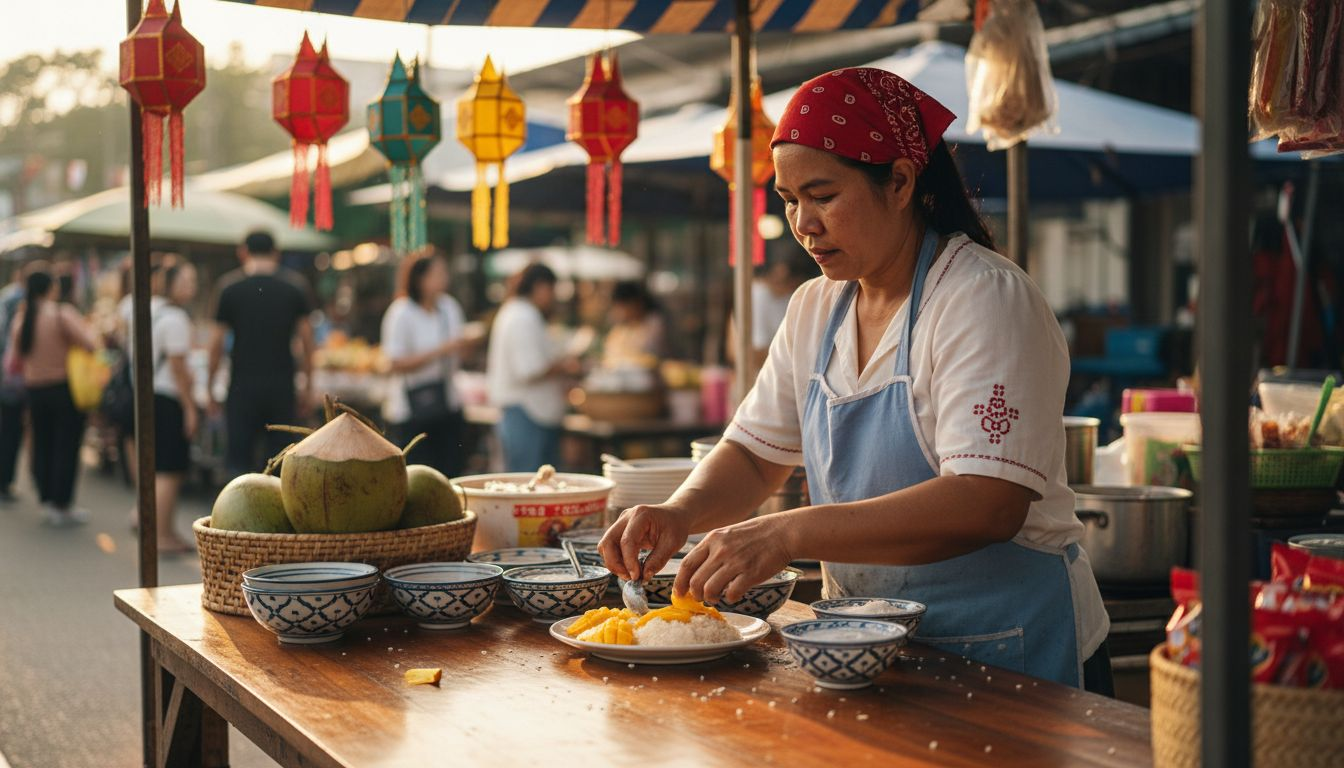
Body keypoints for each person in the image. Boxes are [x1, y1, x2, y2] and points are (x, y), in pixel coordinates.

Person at [599, 68, 1111, 693]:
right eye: (789, 201)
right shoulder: (817, 307)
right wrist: (679, 513)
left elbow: (988, 502)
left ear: (899, 181)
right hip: (866, 652)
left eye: (822, 195)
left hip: (1013, 653)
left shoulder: (982, 298)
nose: (802, 224)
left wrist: (785, 531)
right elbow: (756, 457)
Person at [207, 231, 315, 476]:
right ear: (276, 253)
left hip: (241, 387)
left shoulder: (229, 288)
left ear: (243, 252)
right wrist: (308, 386)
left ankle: (237, 513)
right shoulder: (294, 287)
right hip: (282, 387)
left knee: (238, 465)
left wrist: (210, 386)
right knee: (281, 464)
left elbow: (216, 344)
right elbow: (308, 342)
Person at [8, 269, 99, 525]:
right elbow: (90, 344)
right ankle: (62, 502)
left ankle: (46, 499)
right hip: (62, 388)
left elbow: (15, 360)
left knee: (42, 444)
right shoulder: (61, 313)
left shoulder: (22, 318)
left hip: (34, 390)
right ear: (50, 288)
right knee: (66, 447)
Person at [380, 250, 479, 478]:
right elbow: (394, 362)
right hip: (410, 409)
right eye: (438, 273)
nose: (444, 277)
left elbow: (460, 353)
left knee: (451, 473)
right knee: (418, 476)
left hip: (447, 402)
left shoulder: (448, 307)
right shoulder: (401, 313)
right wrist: (441, 350)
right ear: (420, 278)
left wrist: (467, 345)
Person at [486, 264, 581, 472]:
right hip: (527, 413)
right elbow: (529, 369)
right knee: (528, 484)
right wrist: (565, 366)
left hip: (530, 412)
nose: (553, 297)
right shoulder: (522, 316)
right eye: (551, 290)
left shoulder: (519, 313)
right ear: (540, 287)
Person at [145, 262, 199, 553]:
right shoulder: (175, 318)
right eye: (186, 280)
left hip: (155, 396)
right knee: (170, 470)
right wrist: (190, 408)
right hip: (169, 399)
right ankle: (162, 536)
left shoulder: (153, 311)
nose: (192, 286)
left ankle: (163, 531)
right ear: (170, 283)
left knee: (163, 468)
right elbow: (178, 367)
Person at [0, 260, 48, 502]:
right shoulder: (20, 305)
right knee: (12, 432)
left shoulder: (17, 303)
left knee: (11, 431)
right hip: (17, 380)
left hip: (13, 379)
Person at [601, 280, 667, 368]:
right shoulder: (622, 327)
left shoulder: (654, 324)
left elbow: (647, 354)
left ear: (636, 304)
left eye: (623, 307)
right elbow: (609, 350)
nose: (620, 312)